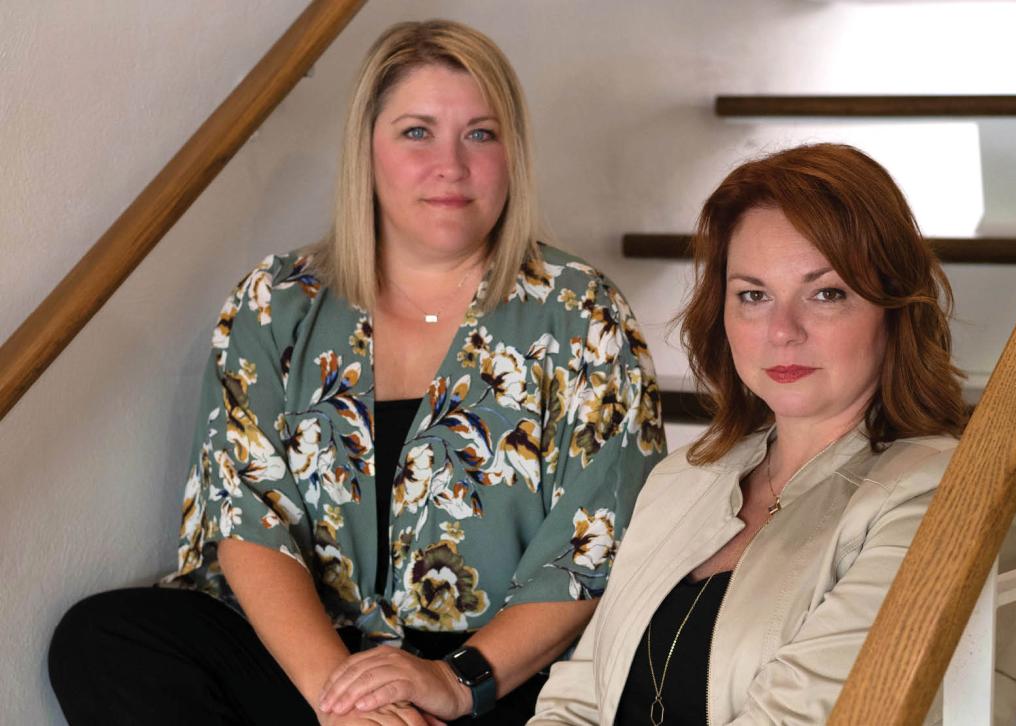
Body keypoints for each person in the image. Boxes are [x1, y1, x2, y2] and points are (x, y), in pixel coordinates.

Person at [49, 19, 664, 726]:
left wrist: (456, 682)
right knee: (106, 638)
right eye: (416, 132)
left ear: (513, 153)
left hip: (493, 672)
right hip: (313, 662)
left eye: (481, 134)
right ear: (365, 151)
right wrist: (341, 698)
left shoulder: (580, 311)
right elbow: (251, 518)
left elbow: (596, 544)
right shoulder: (278, 302)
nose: (451, 165)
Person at [530, 143, 1016, 725]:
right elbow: (576, 700)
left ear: (894, 309)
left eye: (826, 293)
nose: (782, 331)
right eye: (753, 295)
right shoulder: (683, 477)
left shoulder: (939, 491)